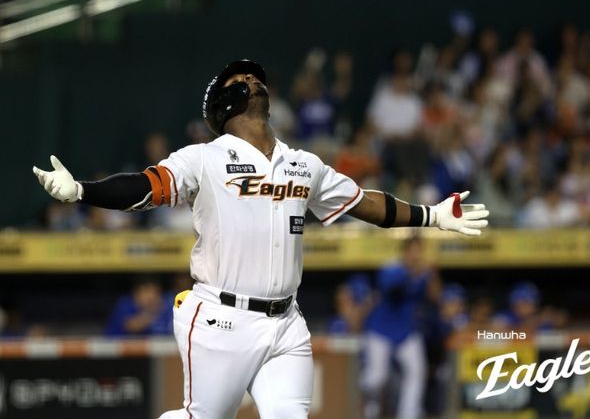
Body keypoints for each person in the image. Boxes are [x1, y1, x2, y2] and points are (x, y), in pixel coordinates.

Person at [32, 59, 489, 419]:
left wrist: (431, 215)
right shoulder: (204, 158)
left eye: (256, 78)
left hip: (286, 323)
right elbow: (146, 187)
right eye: (241, 79)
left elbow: (364, 203)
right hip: (222, 317)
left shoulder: (302, 164)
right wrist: (83, 191)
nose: (253, 80)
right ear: (223, 103)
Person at [360, 235, 441, 419]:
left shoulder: (423, 272)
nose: (417, 255)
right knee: (377, 378)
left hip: (407, 331)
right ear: (405, 251)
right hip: (381, 330)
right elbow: (390, 288)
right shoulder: (391, 268)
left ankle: (408, 414)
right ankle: (364, 403)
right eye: (414, 251)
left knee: (417, 371)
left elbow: (435, 297)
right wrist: (414, 271)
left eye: (420, 251)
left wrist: (433, 274)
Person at [105, 275, 173, 336]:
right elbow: (131, 326)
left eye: (155, 292)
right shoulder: (125, 304)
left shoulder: (165, 304)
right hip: (112, 344)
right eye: (147, 292)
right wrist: (152, 312)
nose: (152, 297)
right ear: (136, 293)